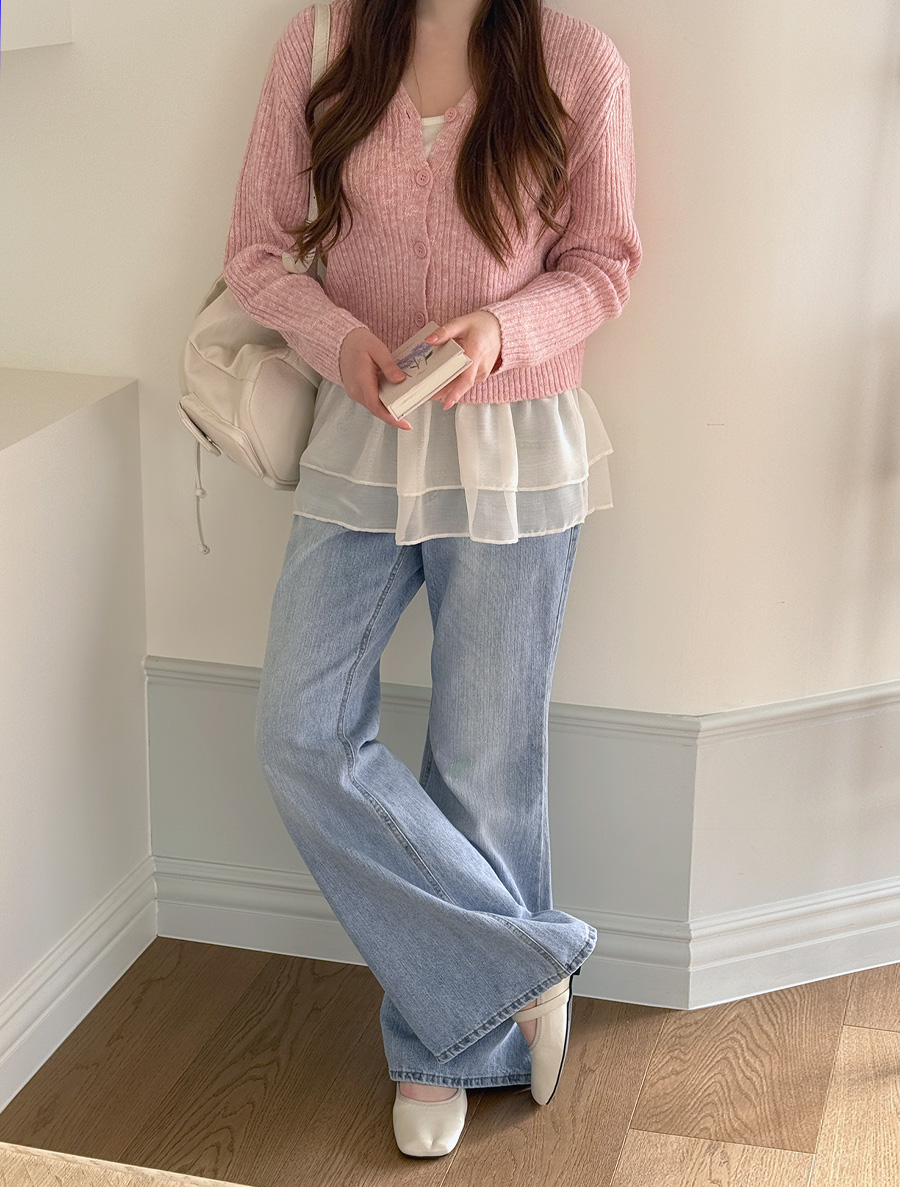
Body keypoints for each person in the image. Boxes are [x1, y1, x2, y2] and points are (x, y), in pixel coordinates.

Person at [223, 0, 641, 1158]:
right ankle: (525, 963)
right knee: (301, 730)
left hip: (514, 439)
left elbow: (604, 264)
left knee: (482, 757)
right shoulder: (324, 42)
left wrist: (500, 330)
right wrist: (335, 338)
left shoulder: (576, 62)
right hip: (365, 432)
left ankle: (445, 1047)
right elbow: (256, 251)